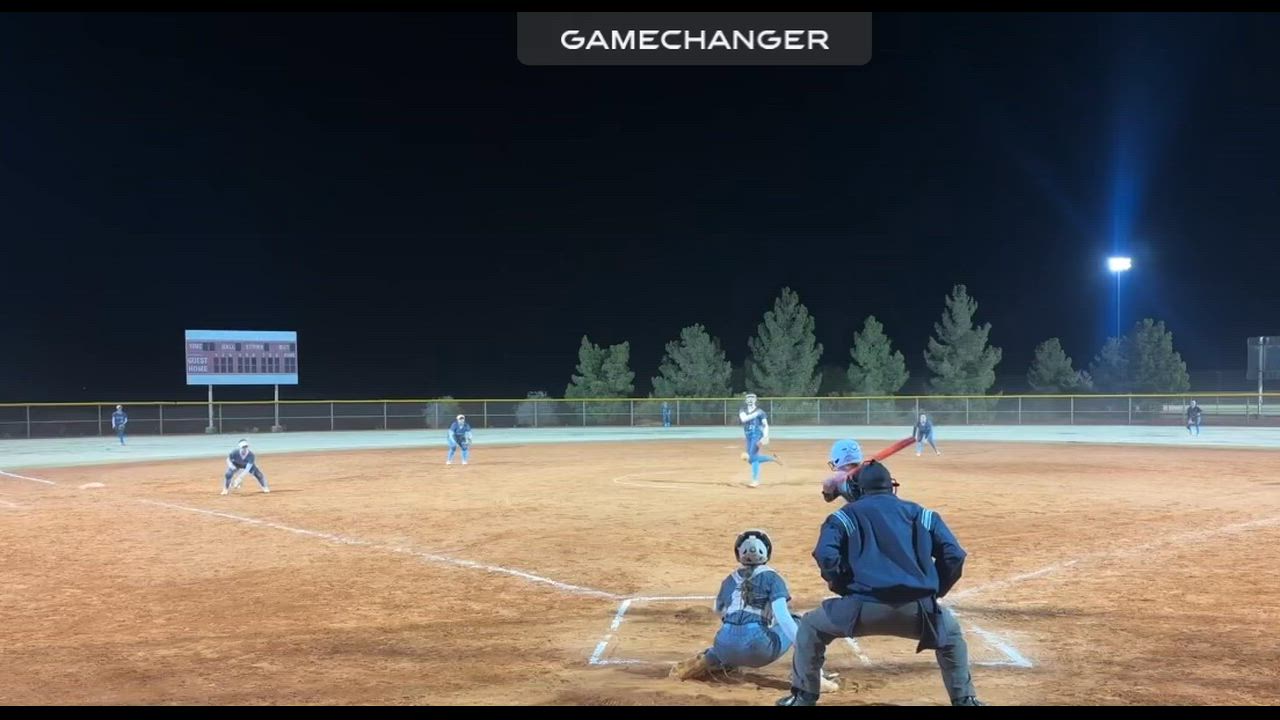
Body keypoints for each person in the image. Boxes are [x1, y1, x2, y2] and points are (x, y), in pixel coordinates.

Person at [776, 440, 981, 707]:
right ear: (891, 486)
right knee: (951, 637)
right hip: (919, 611)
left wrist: (843, 586)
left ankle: (803, 697)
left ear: (857, 489)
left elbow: (825, 555)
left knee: (810, 627)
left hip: (860, 608)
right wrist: (934, 590)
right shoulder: (922, 514)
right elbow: (954, 555)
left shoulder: (844, 516)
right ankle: (965, 700)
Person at [670, 530, 839, 693]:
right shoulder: (773, 578)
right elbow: (783, 618)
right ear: (766, 551)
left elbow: (719, 610)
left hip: (723, 647)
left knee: (730, 636)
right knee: (798, 621)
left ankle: (710, 659)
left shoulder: (729, 580)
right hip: (758, 649)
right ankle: (809, 676)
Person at [739, 393, 779, 487]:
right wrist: (756, 414)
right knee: (751, 459)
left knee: (752, 457)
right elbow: (744, 419)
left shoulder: (761, 412)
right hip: (748, 436)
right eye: (748, 398)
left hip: (757, 435)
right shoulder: (743, 410)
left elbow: (765, 425)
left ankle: (755, 481)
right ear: (745, 400)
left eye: (752, 398)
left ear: (756, 399)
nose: (750, 399)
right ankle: (773, 459)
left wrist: (765, 436)